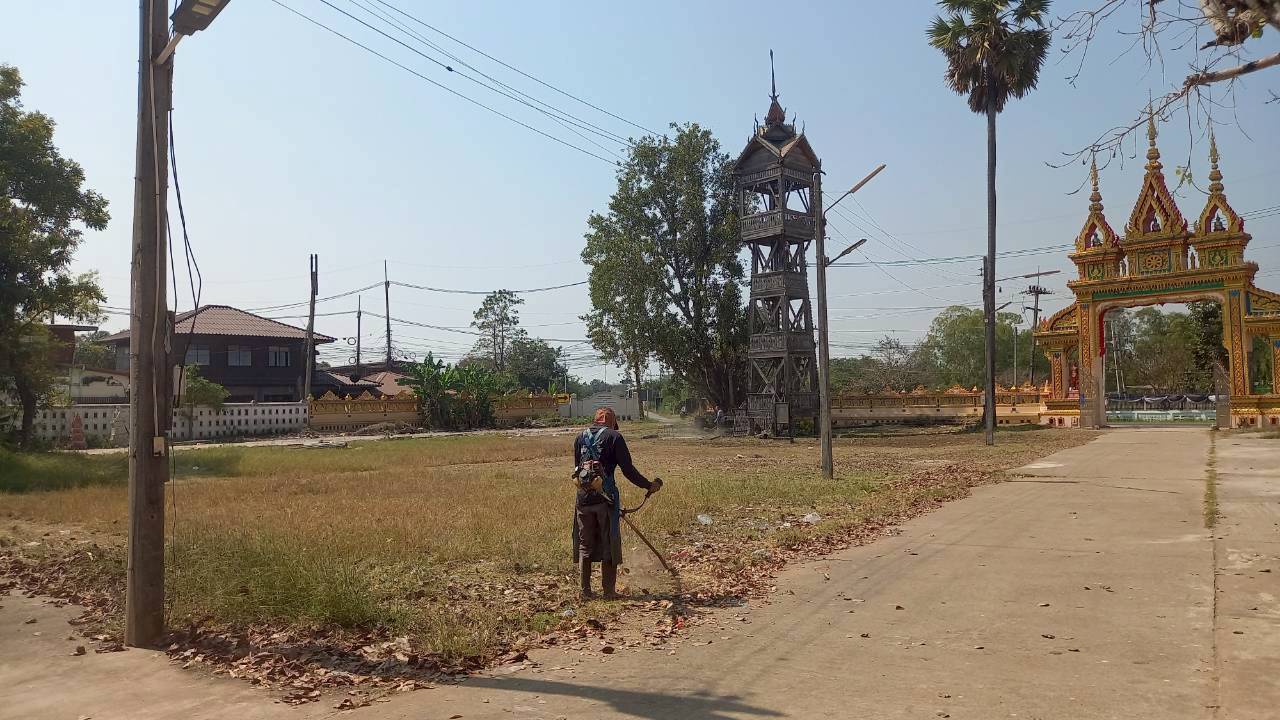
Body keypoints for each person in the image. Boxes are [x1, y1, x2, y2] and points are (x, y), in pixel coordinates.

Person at [572, 406, 661, 599]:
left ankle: (585, 591)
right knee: (609, 542)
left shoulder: (580, 437)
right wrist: (648, 485)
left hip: (583, 499)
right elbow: (628, 470)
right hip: (606, 500)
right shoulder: (614, 437)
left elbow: (577, 469)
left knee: (585, 544)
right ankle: (609, 591)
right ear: (612, 422)